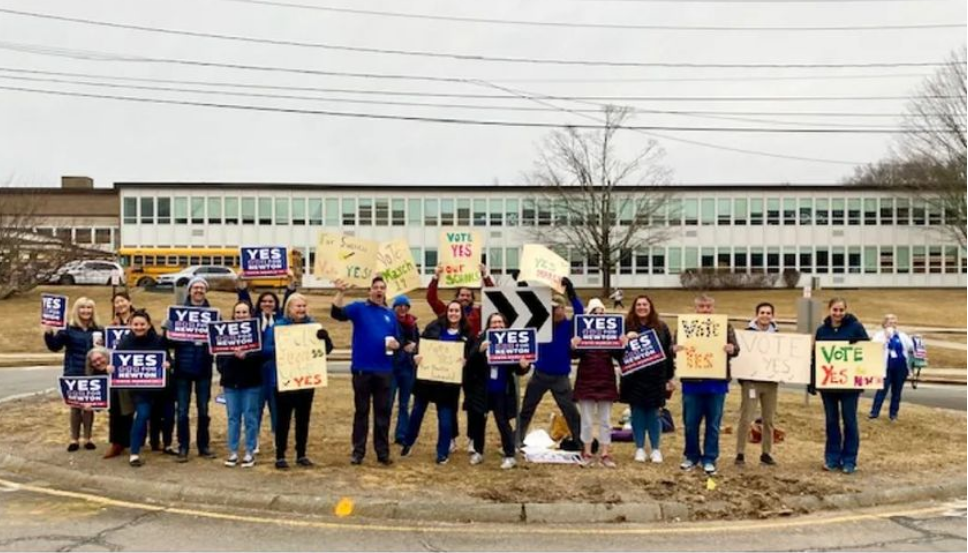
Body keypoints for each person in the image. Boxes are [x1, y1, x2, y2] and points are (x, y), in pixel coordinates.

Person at [427, 263, 495, 454]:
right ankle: (451, 438)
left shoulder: (480, 313)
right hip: (450, 365)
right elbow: (432, 299)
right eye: (461, 295)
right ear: (456, 298)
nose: (464, 298)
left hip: (473, 364)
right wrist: (435, 278)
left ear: (472, 298)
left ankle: (473, 439)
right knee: (450, 404)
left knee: (474, 404)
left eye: (468, 295)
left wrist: (486, 277)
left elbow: (494, 298)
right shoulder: (449, 313)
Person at [332, 276, 399, 466]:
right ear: (370, 290)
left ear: (386, 292)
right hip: (362, 370)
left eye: (382, 288)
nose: (379, 291)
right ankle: (358, 451)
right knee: (361, 412)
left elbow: (397, 340)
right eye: (375, 287)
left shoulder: (390, 314)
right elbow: (336, 314)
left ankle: (382, 452)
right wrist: (341, 292)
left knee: (382, 413)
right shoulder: (359, 308)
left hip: (384, 370)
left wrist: (396, 344)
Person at [262, 293, 333, 469]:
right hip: (286, 380)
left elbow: (326, 350)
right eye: (297, 306)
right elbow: (265, 350)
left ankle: (301, 453)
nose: (301, 309)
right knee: (283, 420)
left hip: (306, 381)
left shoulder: (313, 326)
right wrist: (282, 347)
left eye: (303, 306)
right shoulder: (278, 327)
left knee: (303, 419)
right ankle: (280, 455)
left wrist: (326, 338)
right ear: (289, 308)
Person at [516, 277, 584, 449]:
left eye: (558, 308)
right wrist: (522, 286)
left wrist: (571, 292)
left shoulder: (570, 326)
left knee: (571, 412)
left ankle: (579, 441)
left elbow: (580, 312)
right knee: (526, 409)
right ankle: (517, 440)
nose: (555, 312)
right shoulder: (541, 324)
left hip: (561, 377)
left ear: (563, 308)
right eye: (552, 308)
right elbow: (530, 305)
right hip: (539, 374)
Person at [401, 301, 472, 464]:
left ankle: (442, 453)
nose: (453, 313)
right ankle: (407, 443)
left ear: (461, 314)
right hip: (427, 380)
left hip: (448, 384)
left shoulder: (467, 333)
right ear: (446, 312)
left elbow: (471, 354)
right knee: (417, 413)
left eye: (457, 311)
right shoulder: (434, 327)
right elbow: (422, 346)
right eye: (451, 310)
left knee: (445, 418)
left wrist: (465, 361)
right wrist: (417, 357)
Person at [678, 294, 739, 476]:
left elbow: (736, 349)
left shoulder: (724, 326)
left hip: (716, 383)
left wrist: (731, 349)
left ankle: (710, 458)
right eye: (701, 307)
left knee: (713, 424)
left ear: (713, 308)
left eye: (708, 307)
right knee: (690, 423)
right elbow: (673, 348)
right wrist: (675, 349)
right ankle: (691, 456)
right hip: (692, 383)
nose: (705, 310)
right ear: (696, 308)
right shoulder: (685, 326)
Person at [237, 272, 296, 452]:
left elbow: (289, 299)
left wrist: (291, 283)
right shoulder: (253, 320)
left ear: (276, 304)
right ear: (259, 304)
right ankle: (252, 441)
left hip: (277, 371)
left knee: (277, 409)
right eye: (264, 301)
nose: (267, 304)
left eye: (271, 301)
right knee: (255, 409)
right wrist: (242, 284)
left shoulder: (281, 320)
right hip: (256, 370)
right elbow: (243, 300)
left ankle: (278, 440)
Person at [812, 297, 870, 474]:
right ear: (829, 310)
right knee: (831, 422)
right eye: (835, 310)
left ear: (846, 310)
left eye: (841, 310)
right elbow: (817, 357)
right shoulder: (822, 330)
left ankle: (849, 460)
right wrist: (813, 380)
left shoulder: (856, 327)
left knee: (850, 421)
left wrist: (857, 345)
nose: (838, 313)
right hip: (828, 385)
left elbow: (867, 352)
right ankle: (832, 458)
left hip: (849, 386)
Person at [464, 313, 528, 470]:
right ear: (488, 325)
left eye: (500, 322)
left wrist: (523, 366)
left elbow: (518, 370)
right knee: (479, 422)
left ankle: (509, 455)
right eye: (494, 323)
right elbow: (469, 364)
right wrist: (479, 350)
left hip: (502, 391)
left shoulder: (511, 339)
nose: (497, 325)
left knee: (503, 423)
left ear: (505, 325)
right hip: (483, 390)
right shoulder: (481, 339)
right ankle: (478, 451)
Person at [619, 295, 675, 465]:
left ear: (650, 307)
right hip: (633, 377)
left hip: (656, 378)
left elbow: (667, 355)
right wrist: (625, 340)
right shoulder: (626, 326)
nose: (642, 307)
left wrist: (669, 378)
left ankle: (656, 449)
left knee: (654, 414)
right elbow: (616, 354)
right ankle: (640, 448)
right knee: (637, 414)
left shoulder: (661, 327)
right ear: (634, 308)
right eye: (638, 305)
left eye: (645, 304)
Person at [44, 296, 103, 452]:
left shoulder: (99, 330)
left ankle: (88, 438)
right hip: (73, 371)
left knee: (89, 406)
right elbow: (54, 347)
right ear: (77, 310)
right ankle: (74, 439)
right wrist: (49, 332)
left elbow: (107, 351)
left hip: (93, 372)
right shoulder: (68, 330)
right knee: (76, 406)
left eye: (89, 308)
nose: (86, 311)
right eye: (82, 308)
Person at [168, 276, 216, 462]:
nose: (198, 291)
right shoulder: (178, 313)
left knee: (203, 409)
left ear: (205, 291)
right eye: (195, 287)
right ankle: (183, 447)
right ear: (189, 291)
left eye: (201, 288)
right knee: (182, 410)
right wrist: (169, 331)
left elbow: (220, 341)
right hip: (183, 369)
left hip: (204, 368)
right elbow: (169, 342)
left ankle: (203, 446)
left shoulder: (213, 314)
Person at [116, 310, 172, 467]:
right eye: (136, 324)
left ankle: (166, 445)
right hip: (140, 390)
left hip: (161, 388)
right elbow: (118, 364)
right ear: (130, 325)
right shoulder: (124, 343)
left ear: (148, 325)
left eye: (142, 324)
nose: (139, 327)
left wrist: (168, 364)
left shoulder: (159, 340)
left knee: (167, 416)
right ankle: (134, 453)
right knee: (142, 415)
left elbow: (168, 359)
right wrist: (111, 368)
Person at [570, 298, 622, 467]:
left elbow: (619, 356)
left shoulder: (611, 332)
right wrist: (573, 346)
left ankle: (605, 453)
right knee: (586, 419)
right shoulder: (582, 331)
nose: (599, 316)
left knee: (605, 419)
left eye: (602, 313)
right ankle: (587, 451)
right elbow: (574, 356)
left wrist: (622, 344)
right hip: (586, 378)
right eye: (595, 313)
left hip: (606, 378)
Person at [217, 301, 264, 468]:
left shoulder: (257, 333)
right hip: (230, 383)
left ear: (250, 314)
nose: (241, 315)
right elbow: (220, 361)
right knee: (233, 418)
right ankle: (233, 452)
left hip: (251, 383)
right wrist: (230, 358)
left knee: (250, 418)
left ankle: (250, 451)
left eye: (244, 312)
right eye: (238, 312)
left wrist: (246, 356)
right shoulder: (224, 333)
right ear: (233, 314)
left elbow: (262, 356)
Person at [735, 302, 780, 467]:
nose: (765, 315)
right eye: (762, 312)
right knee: (746, 417)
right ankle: (740, 453)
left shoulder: (778, 336)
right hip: (752, 383)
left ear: (772, 316)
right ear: (757, 314)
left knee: (768, 419)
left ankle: (766, 453)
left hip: (770, 383)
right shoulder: (747, 335)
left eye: (768, 313)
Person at [104, 292, 136, 459]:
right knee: (116, 407)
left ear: (130, 302)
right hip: (117, 372)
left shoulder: (139, 320)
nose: (120, 305)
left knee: (133, 409)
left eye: (122, 301)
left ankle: (133, 441)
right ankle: (116, 442)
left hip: (137, 371)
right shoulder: (112, 325)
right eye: (116, 302)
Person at [869, 314, 915, 422]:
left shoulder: (901, 335)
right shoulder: (879, 335)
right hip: (886, 367)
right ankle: (874, 413)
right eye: (890, 322)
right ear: (885, 324)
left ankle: (893, 414)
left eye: (894, 323)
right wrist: (886, 338)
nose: (892, 325)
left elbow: (910, 347)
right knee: (882, 390)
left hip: (900, 367)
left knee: (897, 392)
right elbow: (874, 347)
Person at [389, 295, 420, 445]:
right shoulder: (389, 322)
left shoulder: (413, 324)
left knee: (404, 403)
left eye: (405, 306)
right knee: (387, 402)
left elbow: (419, 342)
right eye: (399, 306)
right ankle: (383, 431)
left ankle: (401, 434)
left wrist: (415, 348)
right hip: (392, 367)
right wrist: (402, 346)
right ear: (394, 308)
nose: (402, 309)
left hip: (408, 367)